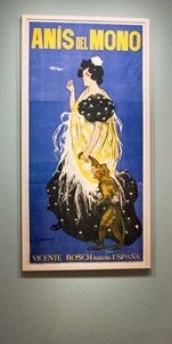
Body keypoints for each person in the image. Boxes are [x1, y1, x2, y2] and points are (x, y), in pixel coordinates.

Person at [46, 56, 141, 248]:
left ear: (94, 75)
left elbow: (98, 129)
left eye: (86, 75)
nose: (83, 77)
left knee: (92, 188)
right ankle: (78, 223)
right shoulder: (86, 93)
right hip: (81, 146)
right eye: (83, 74)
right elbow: (75, 110)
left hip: (95, 151)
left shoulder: (100, 97)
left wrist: (88, 152)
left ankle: (97, 229)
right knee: (71, 184)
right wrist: (72, 92)